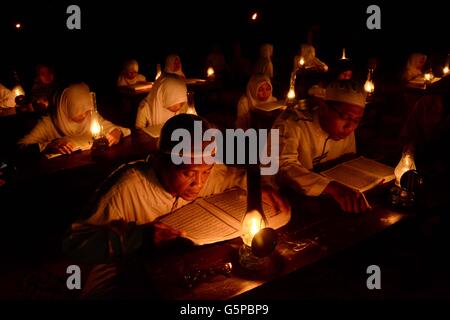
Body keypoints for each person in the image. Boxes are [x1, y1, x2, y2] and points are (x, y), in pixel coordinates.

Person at [63, 114, 289, 264]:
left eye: (206, 172)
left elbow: (231, 177)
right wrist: (139, 237)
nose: (199, 183)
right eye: (188, 174)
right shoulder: (128, 187)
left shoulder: (204, 170)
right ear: (161, 162)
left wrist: (256, 189)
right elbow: (74, 245)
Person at [273, 80, 369, 213]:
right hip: (282, 201)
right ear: (324, 108)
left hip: (325, 202)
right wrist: (332, 188)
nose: (350, 127)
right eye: (345, 117)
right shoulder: (290, 123)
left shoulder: (347, 129)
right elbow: (282, 166)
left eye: (356, 120)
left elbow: (348, 165)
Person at [19, 83, 131, 155]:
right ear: (65, 108)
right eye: (77, 111)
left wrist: (117, 132)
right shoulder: (48, 123)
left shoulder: (90, 116)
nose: (83, 116)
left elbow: (120, 129)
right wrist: (48, 146)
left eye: (86, 111)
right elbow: (22, 146)